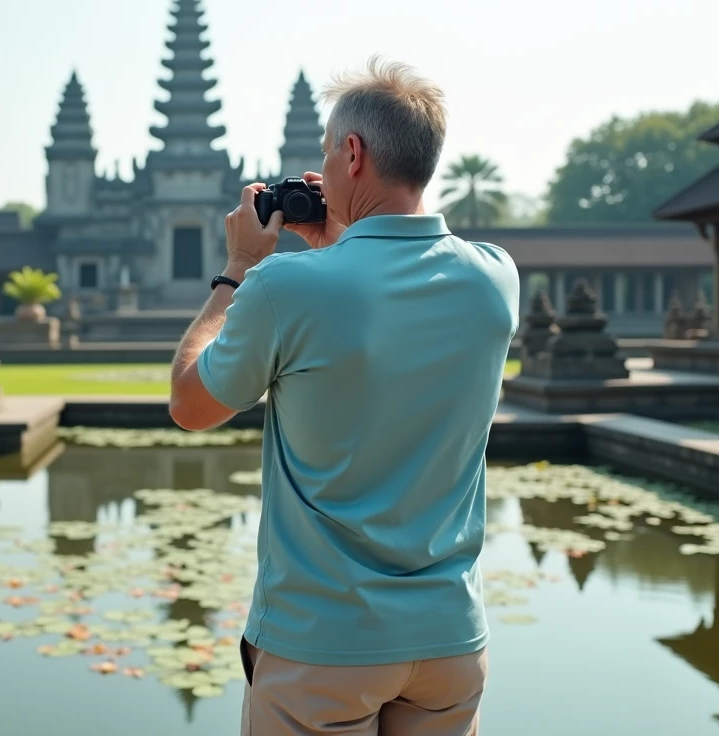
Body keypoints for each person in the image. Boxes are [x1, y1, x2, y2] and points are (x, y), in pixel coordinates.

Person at [169, 56, 520, 735]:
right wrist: (342, 242)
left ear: (352, 154)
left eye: (328, 154)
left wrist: (238, 268)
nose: (322, 173)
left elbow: (190, 405)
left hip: (322, 649)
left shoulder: (284, 287)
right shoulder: (495, 277)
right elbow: (381, 287)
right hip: (451, 642)